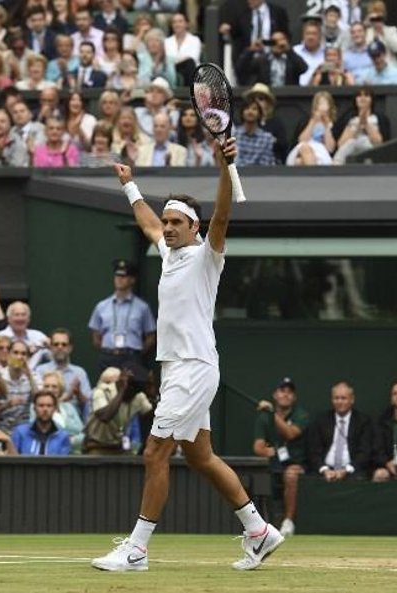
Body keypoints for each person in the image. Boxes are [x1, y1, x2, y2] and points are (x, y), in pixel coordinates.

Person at [93, 138, 283, 572]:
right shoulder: (167, 250)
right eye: (168, 221)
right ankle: (259, 531)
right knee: (199, 456)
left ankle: (137, 550)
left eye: (177, 222)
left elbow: (223, 216)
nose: (169, 227)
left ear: (194, 227)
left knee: (155, 451)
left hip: (194, 369)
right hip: (180, 367)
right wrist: (131, 186)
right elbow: (147, 226)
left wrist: (223, 169)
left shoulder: (205, 256)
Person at [252, 376, 308, 538]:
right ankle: (262, 526)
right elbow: (258, 447)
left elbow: (290, 433)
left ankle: (288, 522)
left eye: (290, 392)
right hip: (273, 465)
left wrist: (272, 413)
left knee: (290, 475)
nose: (286, 395)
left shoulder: (301, 415)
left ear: (294, 397)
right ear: (275, 395)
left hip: (298, 464)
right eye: (282, 391)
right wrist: (273, 451)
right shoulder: (264, 418)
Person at [88, 259, 156, 375]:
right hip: (108, 357)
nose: (119, 279)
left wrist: (136, 352)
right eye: (117, 275)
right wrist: (109, 350)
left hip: (132, 357)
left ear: (132, 280)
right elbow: (95, 336)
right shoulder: (102, 306)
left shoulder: (142, 307)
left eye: (124, 276)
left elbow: (150, 337)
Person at [306, 380, 373, 482]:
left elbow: (364, 453)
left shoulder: (363, 421)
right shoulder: (321, 420)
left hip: (352, 471)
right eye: (336, 398)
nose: (339, 401)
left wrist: (346, 470)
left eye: (343, 398)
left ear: (352, 400)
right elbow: (314, 452)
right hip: (325, 469)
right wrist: (325, 470)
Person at [83, 365, 152, 455]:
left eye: (137, 389)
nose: (133, 392)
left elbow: (152, 416)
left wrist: (152, 395)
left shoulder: (138, 396)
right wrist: (122, 391)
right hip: (96, 446)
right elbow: (105, 416)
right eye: (131, 387)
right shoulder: (102, 391)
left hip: (118, 447)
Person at [333, 86, 391, 165]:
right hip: (349, 150)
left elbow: (379, 142)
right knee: (352, 142)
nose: (362, 98)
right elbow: (340, 143)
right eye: (359, 95)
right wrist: (357, 124)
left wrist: (366, 123)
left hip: (370, 150)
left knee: (363, 141)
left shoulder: (379, 118)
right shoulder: (348, 117)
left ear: (371, 99)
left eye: (366, 95)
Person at [12, 389, 70, 455]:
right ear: (34, 408)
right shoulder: (20, 432)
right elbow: (13, 461)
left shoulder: (62, 436)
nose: (45, 409)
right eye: (41, 405)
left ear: (54, 409)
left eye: (49, 406)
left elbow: (63, 463)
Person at [233, 97, 277, 166]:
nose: (250, 111)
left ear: (260, 114)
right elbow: (232, 161)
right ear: (242, 113)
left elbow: (266, 164)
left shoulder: (267, 138)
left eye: (254, 109)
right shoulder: (234, 135)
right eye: (247, 108)